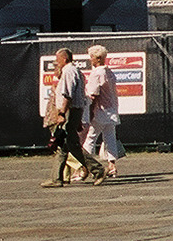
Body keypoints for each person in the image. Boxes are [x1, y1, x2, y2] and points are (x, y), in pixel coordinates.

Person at [42, 48, 106, 187]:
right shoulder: (76, 71)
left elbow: (67, 94)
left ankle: (98, 169)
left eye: (57, 60)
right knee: (63, 145)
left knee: (71, 145)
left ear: (64, 59)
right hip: (74, 110)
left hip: (69, 110)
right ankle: (56, 178)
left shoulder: (68, 71)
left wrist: (61, 114)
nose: (56, 63)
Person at [81, 45, 124, 178]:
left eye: (91, 57)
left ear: (97, 58)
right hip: (112, 110)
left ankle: (86, 167)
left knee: (90, 138)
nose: (90, 60)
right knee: (110, 138)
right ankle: (112, 166)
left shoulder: (97, 73)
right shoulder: (109, 72)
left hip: (100, 111)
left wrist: (91, 111)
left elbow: (93, 94)